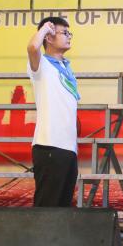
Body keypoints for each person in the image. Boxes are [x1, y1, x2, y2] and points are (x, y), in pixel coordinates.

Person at [27, 16, 79, 208]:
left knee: (63, 207)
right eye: (64, 33)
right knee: (47, 206)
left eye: (69, 33)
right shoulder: (42, 65)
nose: (69, 36)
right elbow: (32, 47)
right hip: (49, 145)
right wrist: (44, 29)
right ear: (48, 37)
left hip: (69, 147)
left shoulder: (66, 67)